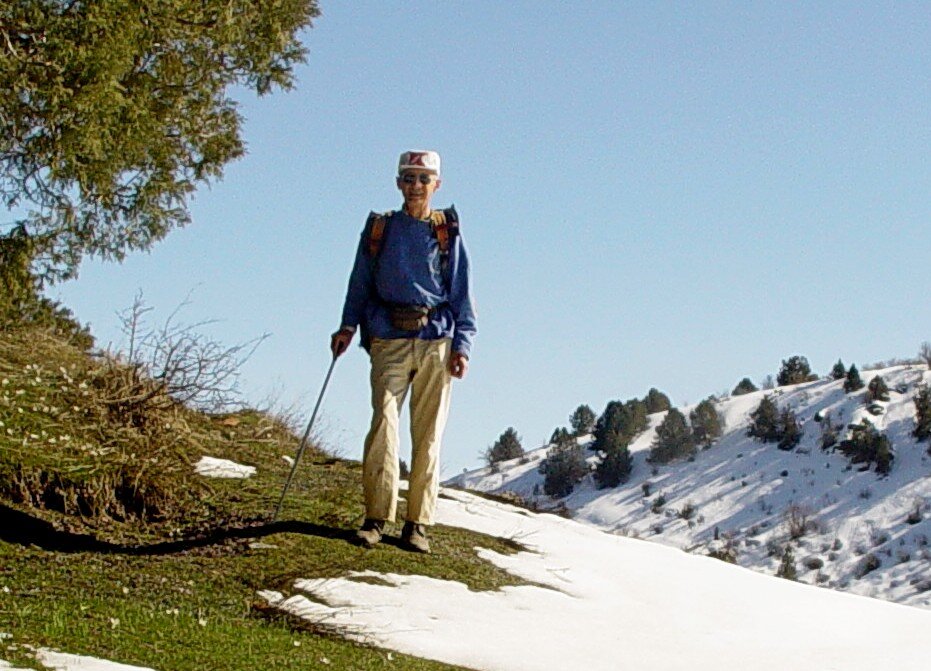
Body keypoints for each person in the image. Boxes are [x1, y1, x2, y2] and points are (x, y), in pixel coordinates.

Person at [330, 150, 477, 553]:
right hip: (387, 338)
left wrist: (463, 344)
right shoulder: (380, 228)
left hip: (437, 341)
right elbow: (359, 281)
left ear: (436, 185)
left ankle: (418, 524)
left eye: (423, 179)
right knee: (383, 422)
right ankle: (376, 517)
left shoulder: (447, 231)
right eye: (409, 178)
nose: (415, 186)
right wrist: (347, 326)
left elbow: (462, 291)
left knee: (428, 436)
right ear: (398, 183)